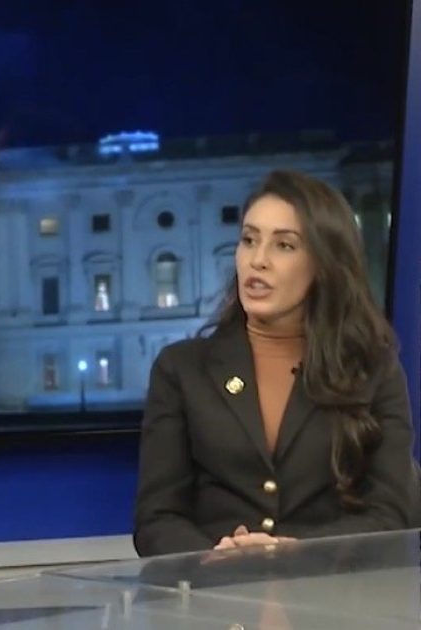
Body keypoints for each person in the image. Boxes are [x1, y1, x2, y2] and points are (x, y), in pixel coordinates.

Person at [133, 169, 421, 557]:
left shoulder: (374, 369)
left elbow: (392, 514)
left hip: (330, 603)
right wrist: (216, 560)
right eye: (249, 240)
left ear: (324, 263)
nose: (258, 260)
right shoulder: (181, 369)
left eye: (284, 246)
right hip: (216, 602)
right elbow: (156, 519)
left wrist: (295, 554)